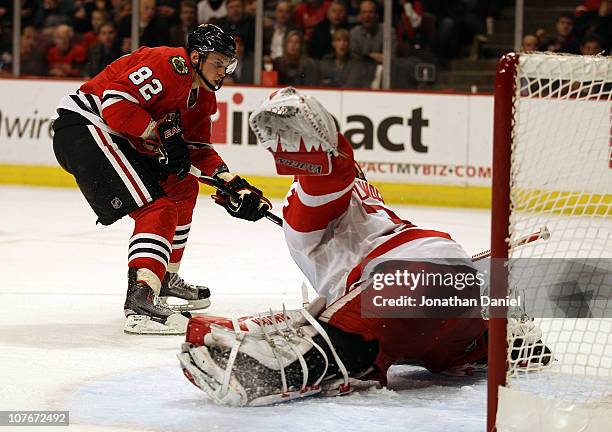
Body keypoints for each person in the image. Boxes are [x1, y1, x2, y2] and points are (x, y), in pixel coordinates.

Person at [177, 88, 554, 405]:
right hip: (449, 286)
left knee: (346, 339)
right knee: (439, 348)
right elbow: (336, 177)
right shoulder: (371, 203)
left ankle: (277, 367)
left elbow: (326, 180)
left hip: (402, 284)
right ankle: (505, 334)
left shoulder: (307, 204)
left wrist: (319, 152)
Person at [52, 24, 271, 335]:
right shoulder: (170, 64)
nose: (224, 72)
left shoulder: (204, 97)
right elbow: (115, 106)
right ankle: (141, 301)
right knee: (158, 209)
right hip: (87, 129)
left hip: (116, 137)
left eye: (228, 65)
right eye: (218, 63)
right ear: (195, 57)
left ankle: (162, 277)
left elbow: (197, 150)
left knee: (183, 187)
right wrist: (162, 134)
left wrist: (232, 182)